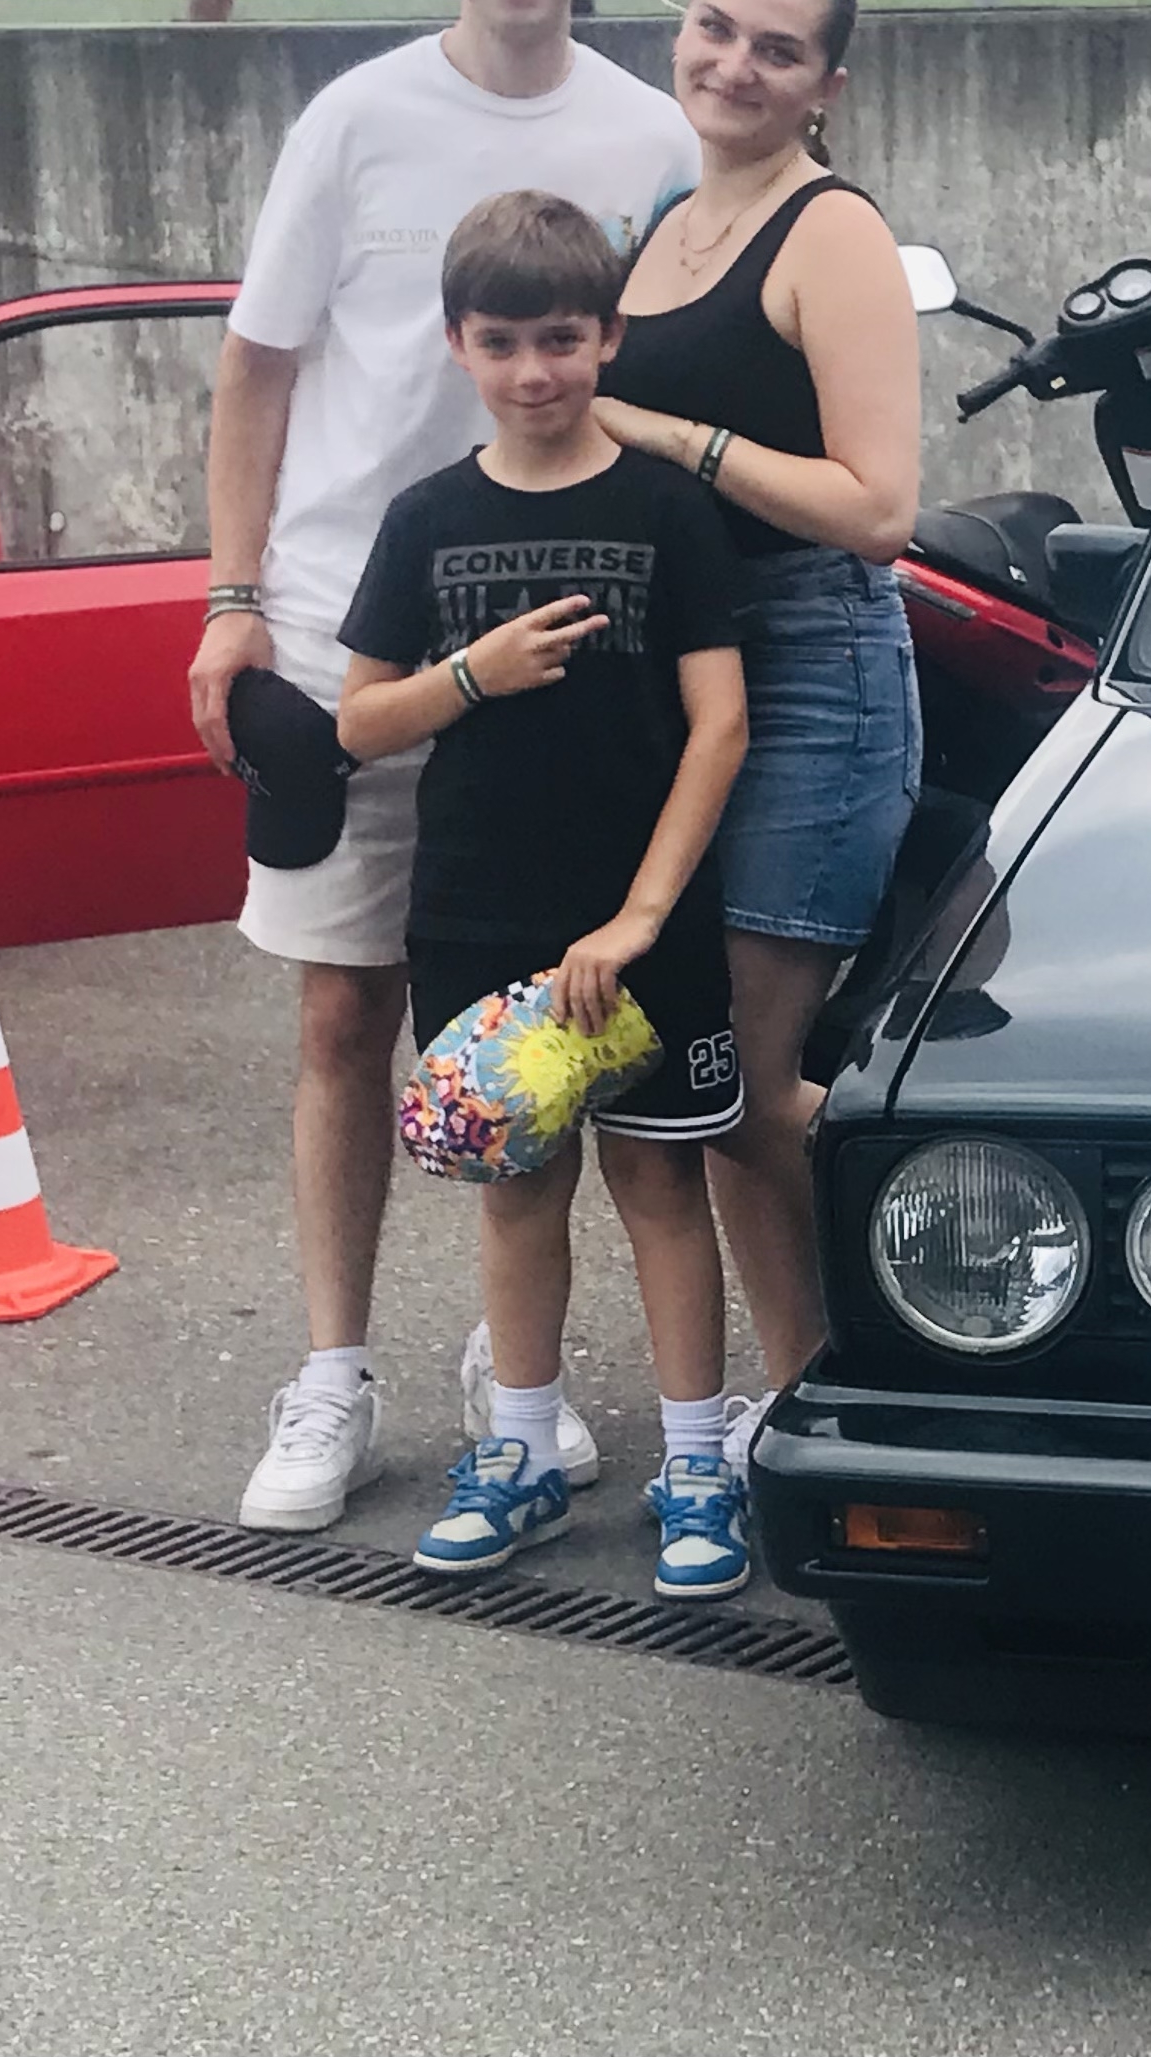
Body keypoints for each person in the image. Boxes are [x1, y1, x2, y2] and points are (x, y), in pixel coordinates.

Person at [187, 0, 697, 1534]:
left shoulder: (652, 137)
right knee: (345, 1013)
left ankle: (515, 1366)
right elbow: (255, 367)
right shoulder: (354, 120)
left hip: (574, 659)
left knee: (548, 1023)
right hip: (353, 634)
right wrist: (230, 595)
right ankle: (332, 1373)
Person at [333, 191, 753, 1588]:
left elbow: (720, 725)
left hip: (642, 928)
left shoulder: (669, 510)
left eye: (562, 338)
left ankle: (699, 1468)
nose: (534, 370)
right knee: (515, 1187)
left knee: (661, 1182)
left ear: (609, 337)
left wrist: (640, 918)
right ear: (457, 342)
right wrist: (472, 675)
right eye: (503, 342)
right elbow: (359, 721)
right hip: (477, 916)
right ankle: (519, 1457)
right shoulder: (425, 519)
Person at [587, 0, 922, 1435]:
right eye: (715, 28)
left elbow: (879, 507)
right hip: (681, 677)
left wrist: (670, 439)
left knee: (748, 1072)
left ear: (824, 85)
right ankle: (806, 1402)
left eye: (777, 49)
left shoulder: (829, 231)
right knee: (720, 1081)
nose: (733, 64)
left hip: (813, 671)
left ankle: (947, 1286)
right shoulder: (668, 220)